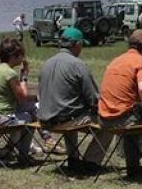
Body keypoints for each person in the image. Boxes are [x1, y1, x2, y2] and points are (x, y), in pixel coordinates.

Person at [90, 30, 142, 182]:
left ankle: (132, 167)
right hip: (122, 119)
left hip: (104, 119)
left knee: (133, 116)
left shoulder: (116, 61)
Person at [38, 27, 101, 173]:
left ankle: (74, 159)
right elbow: (93, 98)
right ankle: (91, 162)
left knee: (68, 109)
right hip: (66, 119)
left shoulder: (46, 63)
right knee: (109, 124)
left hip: (45, 119)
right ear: (77, 44)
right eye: (81, 45)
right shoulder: (77, 65)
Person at [0, 38, 36, 163]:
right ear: (13, 56)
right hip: (0, 119)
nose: (23, 58)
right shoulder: (9, 73)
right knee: (31, 119)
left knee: (23, 115)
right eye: (21, 55)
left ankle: (9, 149)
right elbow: (22, 98)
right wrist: (24, 76)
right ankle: (23, 155)